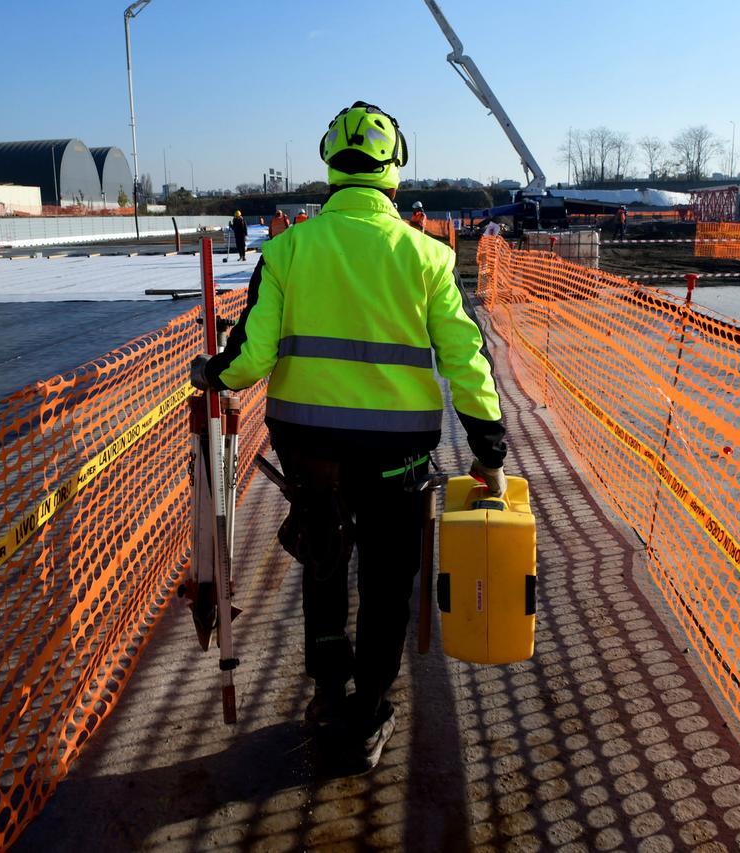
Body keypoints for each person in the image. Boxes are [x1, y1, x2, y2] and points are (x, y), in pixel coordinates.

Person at [191, 100, 507, 771]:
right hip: (398, 461)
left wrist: (211, 372)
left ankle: (329, 695)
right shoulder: (427, 256)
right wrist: (489, 450)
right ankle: (368, 709)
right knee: (389, 584)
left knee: (326, 570)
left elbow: (249, 358)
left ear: (330, 167)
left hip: (312, 456)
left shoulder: (287, 250)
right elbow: (465, 360)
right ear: (395, 174)